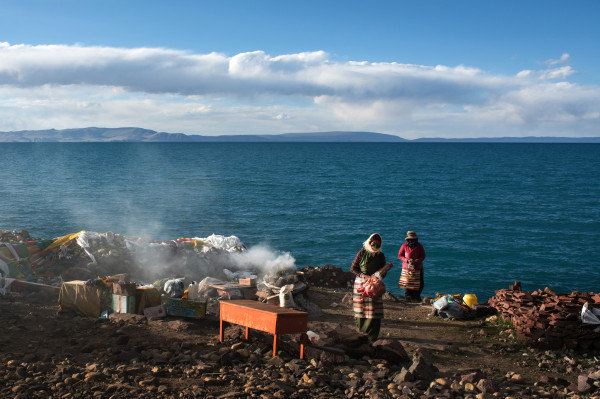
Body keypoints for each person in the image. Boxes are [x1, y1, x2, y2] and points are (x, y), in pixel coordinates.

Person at [350, 233, 392, 341]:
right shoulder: (362, 252)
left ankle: (372, 336)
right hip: (361, 284)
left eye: (378, 245)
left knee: (374, 311)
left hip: (374, 286)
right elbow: (353, 268)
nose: (375, 247)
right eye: (373, 244)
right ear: (369, 243)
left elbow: (383, 271)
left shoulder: (380, 255)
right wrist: (364, 276)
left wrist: (380, 276)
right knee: (360, 310)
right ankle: (361, 333)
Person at [398, 231, 426, 301]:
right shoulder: (404, 246)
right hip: (407, 267)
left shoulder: (419, 246)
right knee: (407, 284)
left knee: (419, 284)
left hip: (417, 267)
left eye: (413, 239)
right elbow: (400, 255)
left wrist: (415, 261)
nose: (411, 241)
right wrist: (407, 260)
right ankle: (408, 298)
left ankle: (416, 297)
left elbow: (423, 256)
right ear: (407, 240)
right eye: (410, 239)